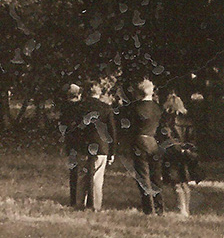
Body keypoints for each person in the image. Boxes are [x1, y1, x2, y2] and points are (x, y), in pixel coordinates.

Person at [121, 78, 165, 215]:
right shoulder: (158, 108)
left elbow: (129, 128)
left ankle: (148, 208)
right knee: (155, 176)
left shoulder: (135, 108)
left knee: (143, 176)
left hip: (140, 141)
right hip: (153, 141)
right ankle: (159, 207)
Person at [75, 82, 117, 211]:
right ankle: (95, 205)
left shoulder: (80, 107)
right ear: (100, 93)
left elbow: (76, 129)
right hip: (101, 146)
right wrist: (112, 152)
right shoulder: (106, 108)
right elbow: (112, 132)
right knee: (97, 177)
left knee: (82, 175)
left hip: (83, 145)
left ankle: (80, 203)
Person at [57, 83, 84, 208]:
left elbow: (62, 127)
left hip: (71, 142)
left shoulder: (65, 108)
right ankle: (82, 198)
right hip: (82, 142)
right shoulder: (82, 107)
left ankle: (73, 199)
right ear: (78, 95)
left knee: (73, 171)